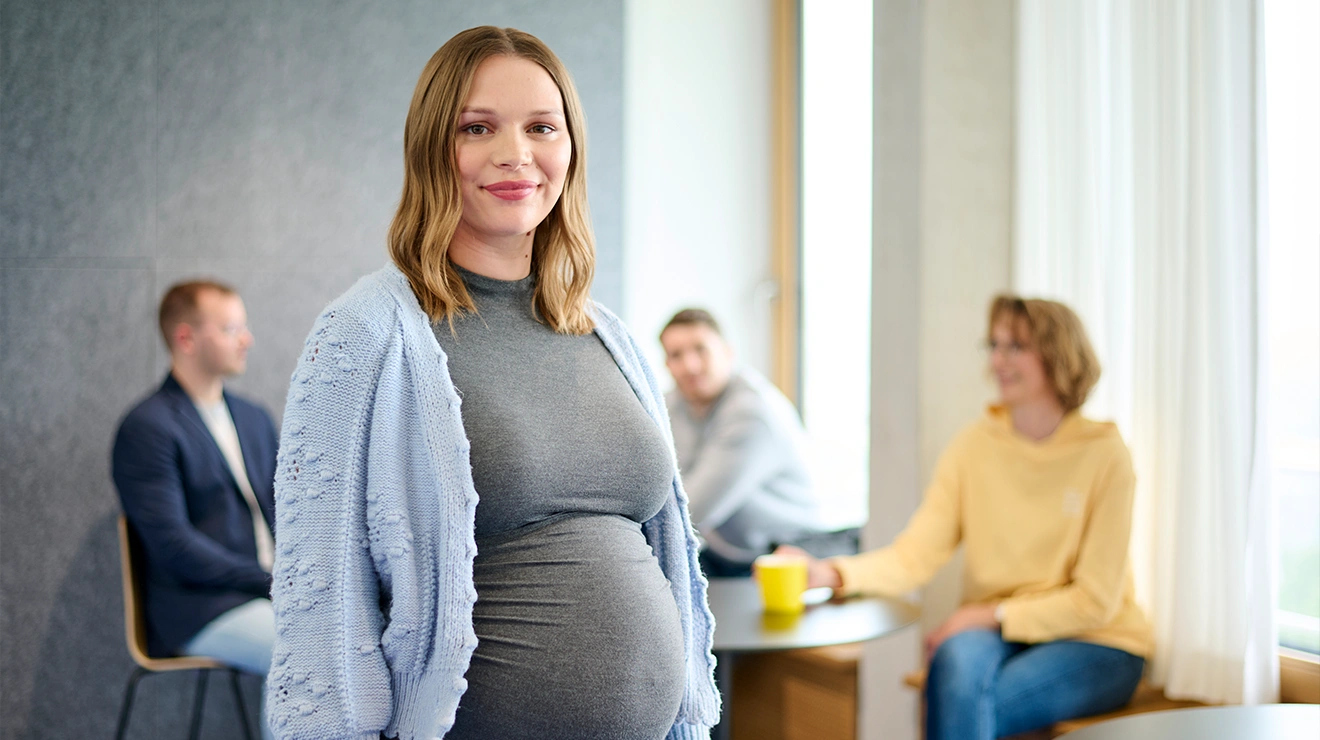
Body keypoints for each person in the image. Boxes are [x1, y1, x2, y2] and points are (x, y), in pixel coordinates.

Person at [265, 26, 719, 740]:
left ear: (570, 148)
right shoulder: (365, 335)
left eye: (542, 126)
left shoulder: (609, 335)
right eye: (478, 127)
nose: (516, 153)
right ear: (431, 150)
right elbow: (321, 609)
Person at [780, 295, 1151, 740]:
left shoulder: (1106, 455)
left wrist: (986, 615)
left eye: (1015, 346)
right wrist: (831, 573)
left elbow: (1095, 600)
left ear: (1057, 353)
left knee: (967, 703)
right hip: (997, 631)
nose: (997, 360)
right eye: (993, 345)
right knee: (955, 667)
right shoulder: (973, 446)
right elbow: (915, 555)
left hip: (1098, 642)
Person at [111, 280, 277, 740]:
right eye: (230, 328)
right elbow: (173, 547)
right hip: (199, 607)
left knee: (369, 636)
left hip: (271, 595)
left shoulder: (254, 418)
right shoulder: (148, 428)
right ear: (186, 338)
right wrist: (272, 580)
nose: (247, 339)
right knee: (303, 650)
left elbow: (293, 512)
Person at [660, 308, 839, 577]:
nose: (690, 366)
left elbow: (690, 509)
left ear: (728, 352)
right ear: (667, 365)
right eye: (676, 355)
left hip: (791, 553)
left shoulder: (751, 414)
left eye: (701, 350)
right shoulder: (673, 403)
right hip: (733, 551)